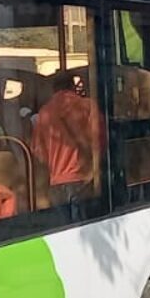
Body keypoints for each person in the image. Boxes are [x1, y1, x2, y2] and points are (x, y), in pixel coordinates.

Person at [32, 69, 104, 207]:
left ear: (54, 88)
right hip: (85, 179)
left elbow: (38, 152)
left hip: (56, 183)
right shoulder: (87, 106)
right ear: (73, 85)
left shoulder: (44, 112)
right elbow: (99, 142)